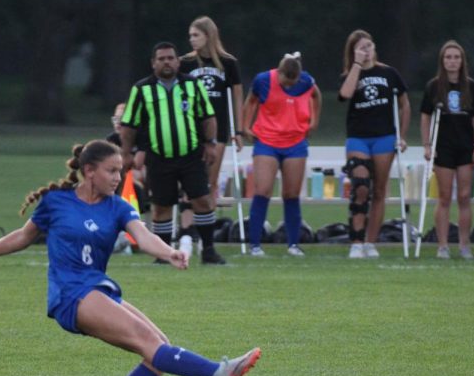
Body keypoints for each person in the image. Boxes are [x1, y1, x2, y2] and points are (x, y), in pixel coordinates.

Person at [0, 140, 260, 376]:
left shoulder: (118, 207)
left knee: (158, 348)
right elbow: (21, 236)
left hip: (98, 288)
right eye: (111, 170)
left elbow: (144, 235)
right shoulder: (56, 202)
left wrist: (168, 252)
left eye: (120, 171)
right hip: (70, 295)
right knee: (152, 345)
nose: (118, 177)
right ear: (89, 171)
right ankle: (220, 373)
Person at [119, 42, 225, 265]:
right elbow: (129, 124)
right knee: (161, 206)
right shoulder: (142, 89)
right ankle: (163, 255)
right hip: (158, 157)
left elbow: (208, 116)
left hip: (191, 155)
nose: (166, 62)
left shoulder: (192, 85)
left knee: (202, 201)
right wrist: (126, 152)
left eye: (170, 58)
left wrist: (210, 144)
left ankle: (208, 250)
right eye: (161, 59)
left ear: (178, 61)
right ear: (153, 63)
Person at [241, 52, 322, 256]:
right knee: (263, 190)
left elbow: (316, 95)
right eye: (286, 82)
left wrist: (313, 121)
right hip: (267, 142)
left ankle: (293, 244)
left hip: (295, 142)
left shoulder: (306, 80)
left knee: (291, 194)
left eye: (293, 82)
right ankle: (255, 245)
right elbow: (250, 101)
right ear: (280, 73)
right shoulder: (263, 80)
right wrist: (245, 127)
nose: (289, 86)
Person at [338, 30, 409, 259]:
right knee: (360, 186)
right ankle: (356, 241)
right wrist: (357, 65)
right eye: (361, 47)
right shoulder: (350, 74)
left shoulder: (389, 73)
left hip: (384, 136)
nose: (366, 50)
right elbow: (345, 94)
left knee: (379, 190)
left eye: (368, 46)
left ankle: (371, 241)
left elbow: (404, 104)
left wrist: (402, 135)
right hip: (358, 136)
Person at [177, 16, 243, 260]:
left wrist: (239, 130)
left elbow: (237, 96)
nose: (191, 39)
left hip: (218, 132)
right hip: (190, 131)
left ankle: (205, 241)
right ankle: (186, 234)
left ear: (208, 35)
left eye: (196, 35)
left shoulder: (228, 63)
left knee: (209, 185)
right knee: (189, 184)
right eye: (190, 35)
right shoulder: (184, 63)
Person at [420, 39, 474, 259]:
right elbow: (426, 117)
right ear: (442, 61)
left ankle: (464, 244)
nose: (452, 61)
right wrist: (427, 145)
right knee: (444, 196)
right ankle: (443, 245)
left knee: (464, 196)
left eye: (456, 57)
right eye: (448, 57)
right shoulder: (434, 86)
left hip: (464, 146)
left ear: (462, 61)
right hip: (442, 147)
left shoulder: (471, 86)